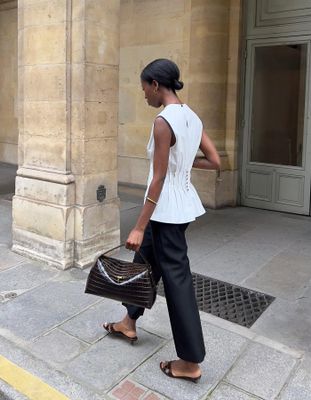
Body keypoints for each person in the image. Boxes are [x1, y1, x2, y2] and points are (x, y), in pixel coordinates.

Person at [103, 59, 221, 383]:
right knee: (145, 264)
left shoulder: (162, 121)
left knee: (177, 280)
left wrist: (139, 225)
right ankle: (129, 321)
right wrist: (182, 164)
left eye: (143, 88)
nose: (143, 95)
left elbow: (157, 180)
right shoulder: (192, 117)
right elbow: (215, 160)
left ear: (155, 84)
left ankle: (190, 361)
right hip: (178, 207)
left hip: (164, 211)